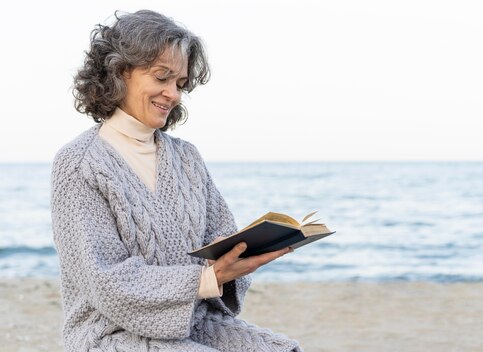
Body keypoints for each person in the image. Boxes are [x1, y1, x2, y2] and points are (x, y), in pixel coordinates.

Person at [51, 9, 301, 352]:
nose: (173, 94)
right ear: (120, 71)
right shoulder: (79, 164)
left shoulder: (187, 157)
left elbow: (219, 236)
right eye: (161, 77)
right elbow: (104, 280)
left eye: (180, 83)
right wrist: (205, 278)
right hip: (109, 334)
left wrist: (236, 258)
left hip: (194, 323)